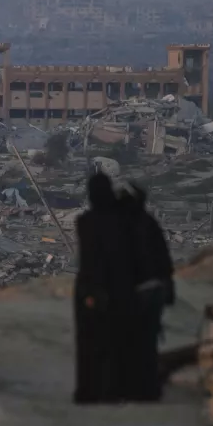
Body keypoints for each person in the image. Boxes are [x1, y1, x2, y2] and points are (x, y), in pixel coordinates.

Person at [73, 172, 140, 404]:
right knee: (112, 342)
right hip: (116, 290)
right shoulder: (118, 221)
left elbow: (91, 261)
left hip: (90, 289)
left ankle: (88, 391)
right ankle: (110, 390)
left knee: (89, 343)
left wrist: (91, 292)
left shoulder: (85, 222)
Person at [115, 182, 174, 402]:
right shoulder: (148, 223)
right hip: (154, 290)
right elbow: (165, 260)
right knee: (147, 339)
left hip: (135, 293)